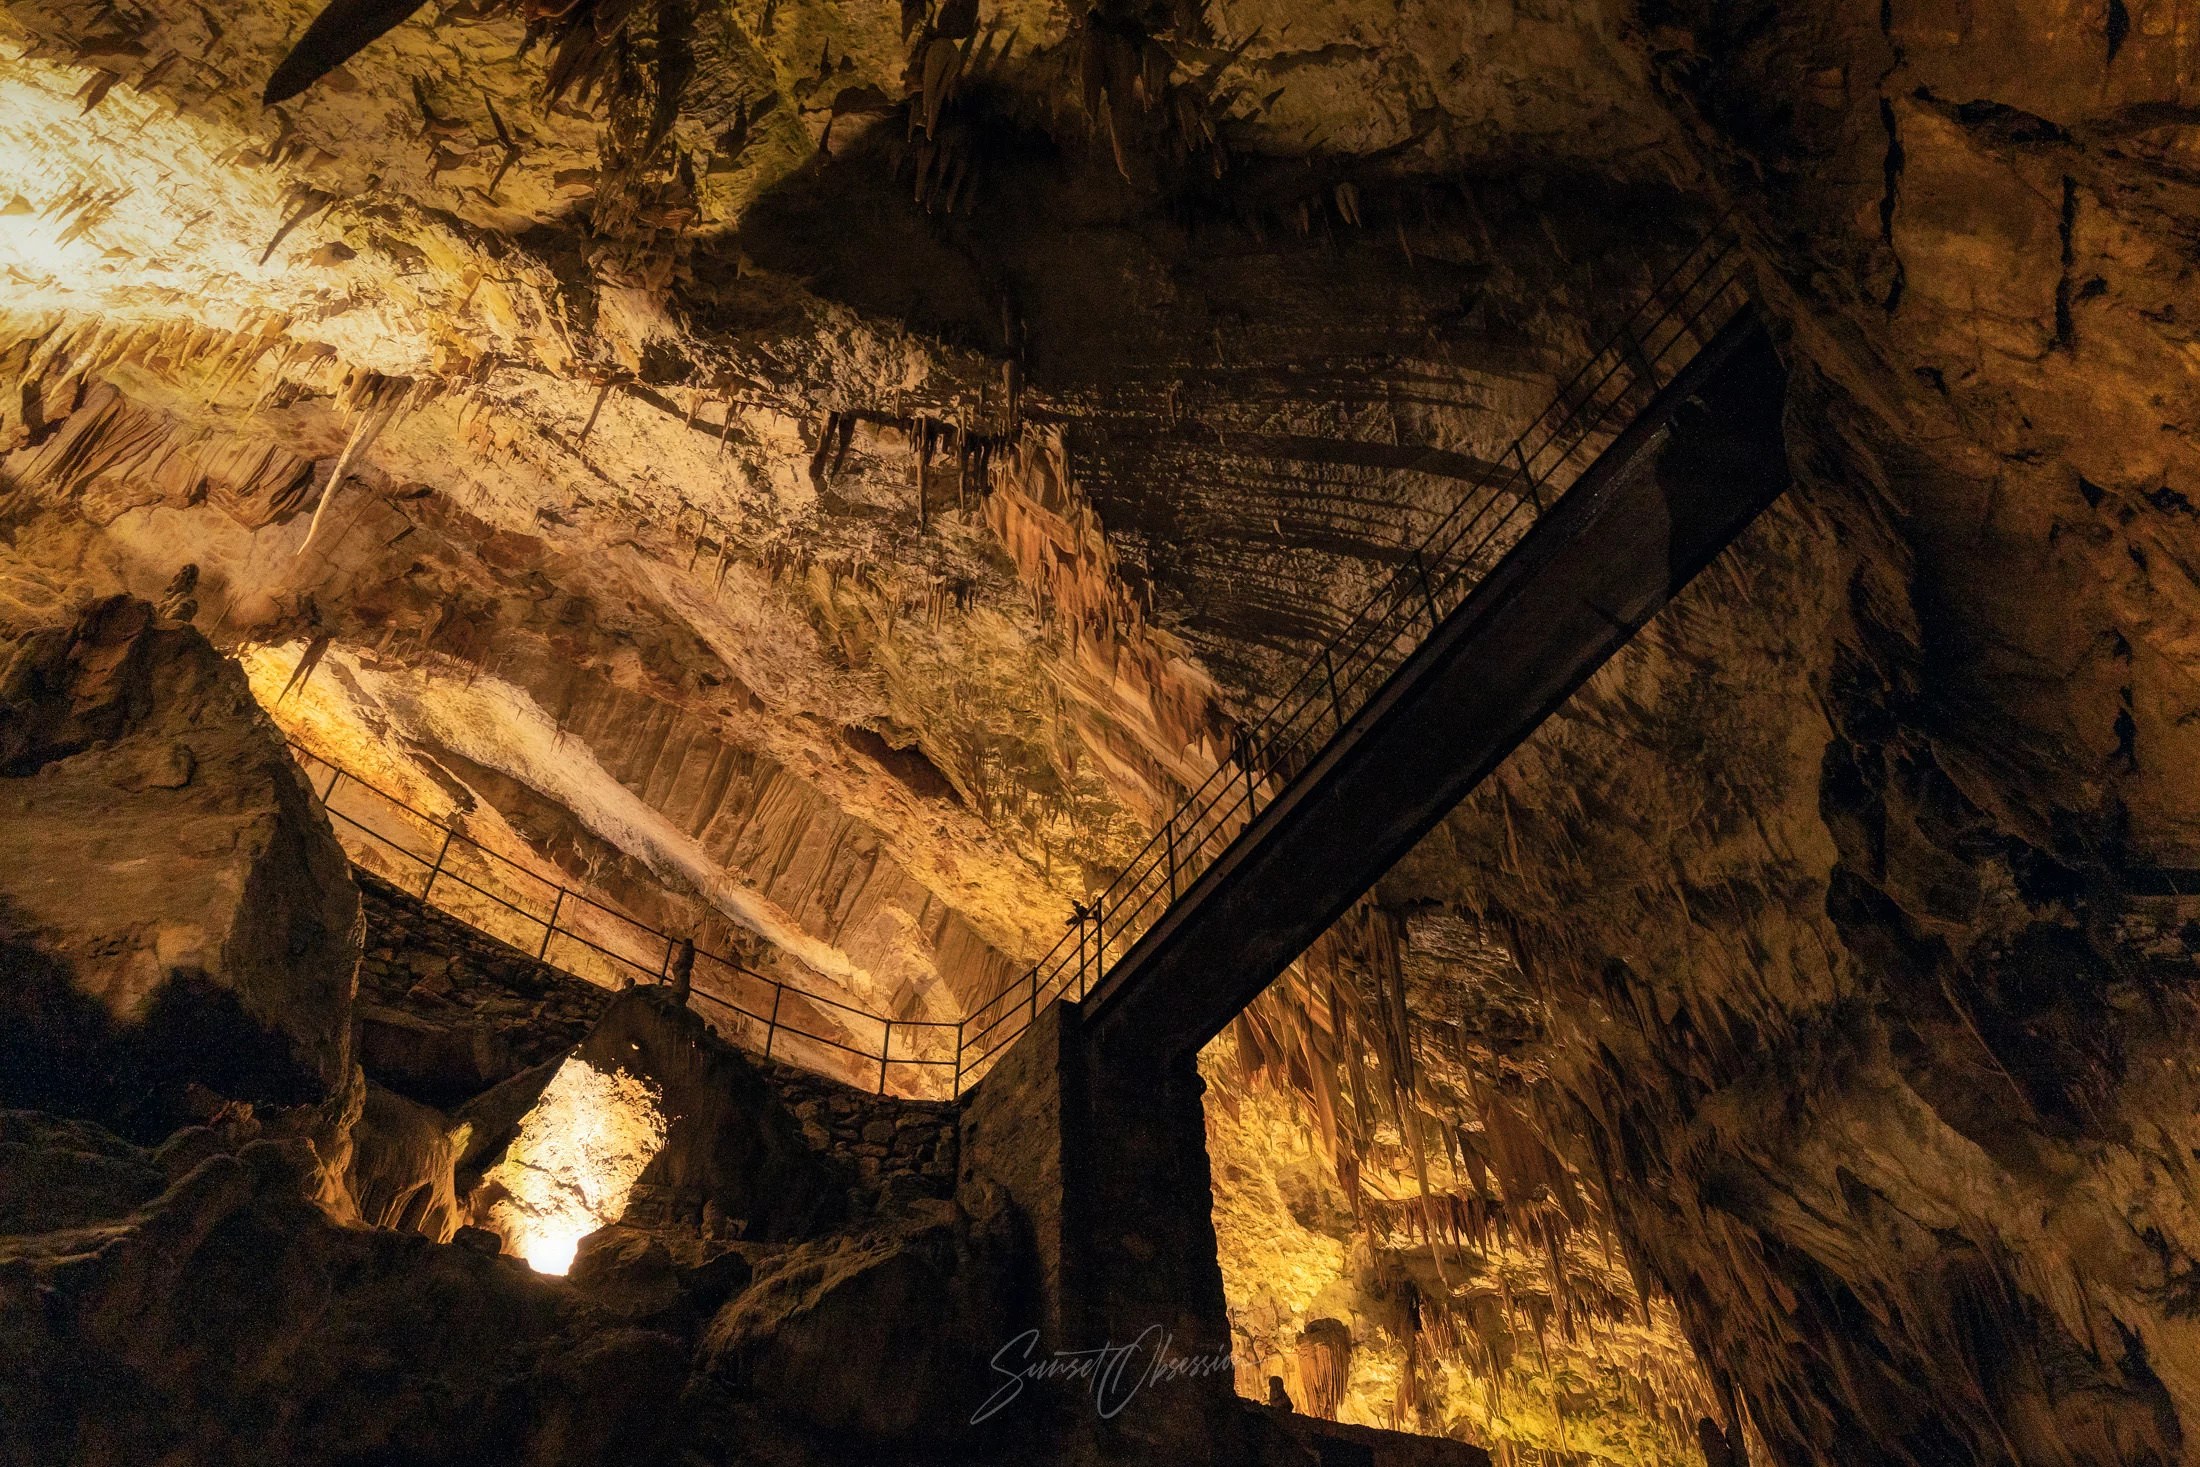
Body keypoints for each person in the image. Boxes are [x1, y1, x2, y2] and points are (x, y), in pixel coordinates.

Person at [667, 936, 694, 1007]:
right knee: (680, 970)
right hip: (678, 997)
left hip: (678, 996)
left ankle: (686, 949)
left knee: (680, 970)